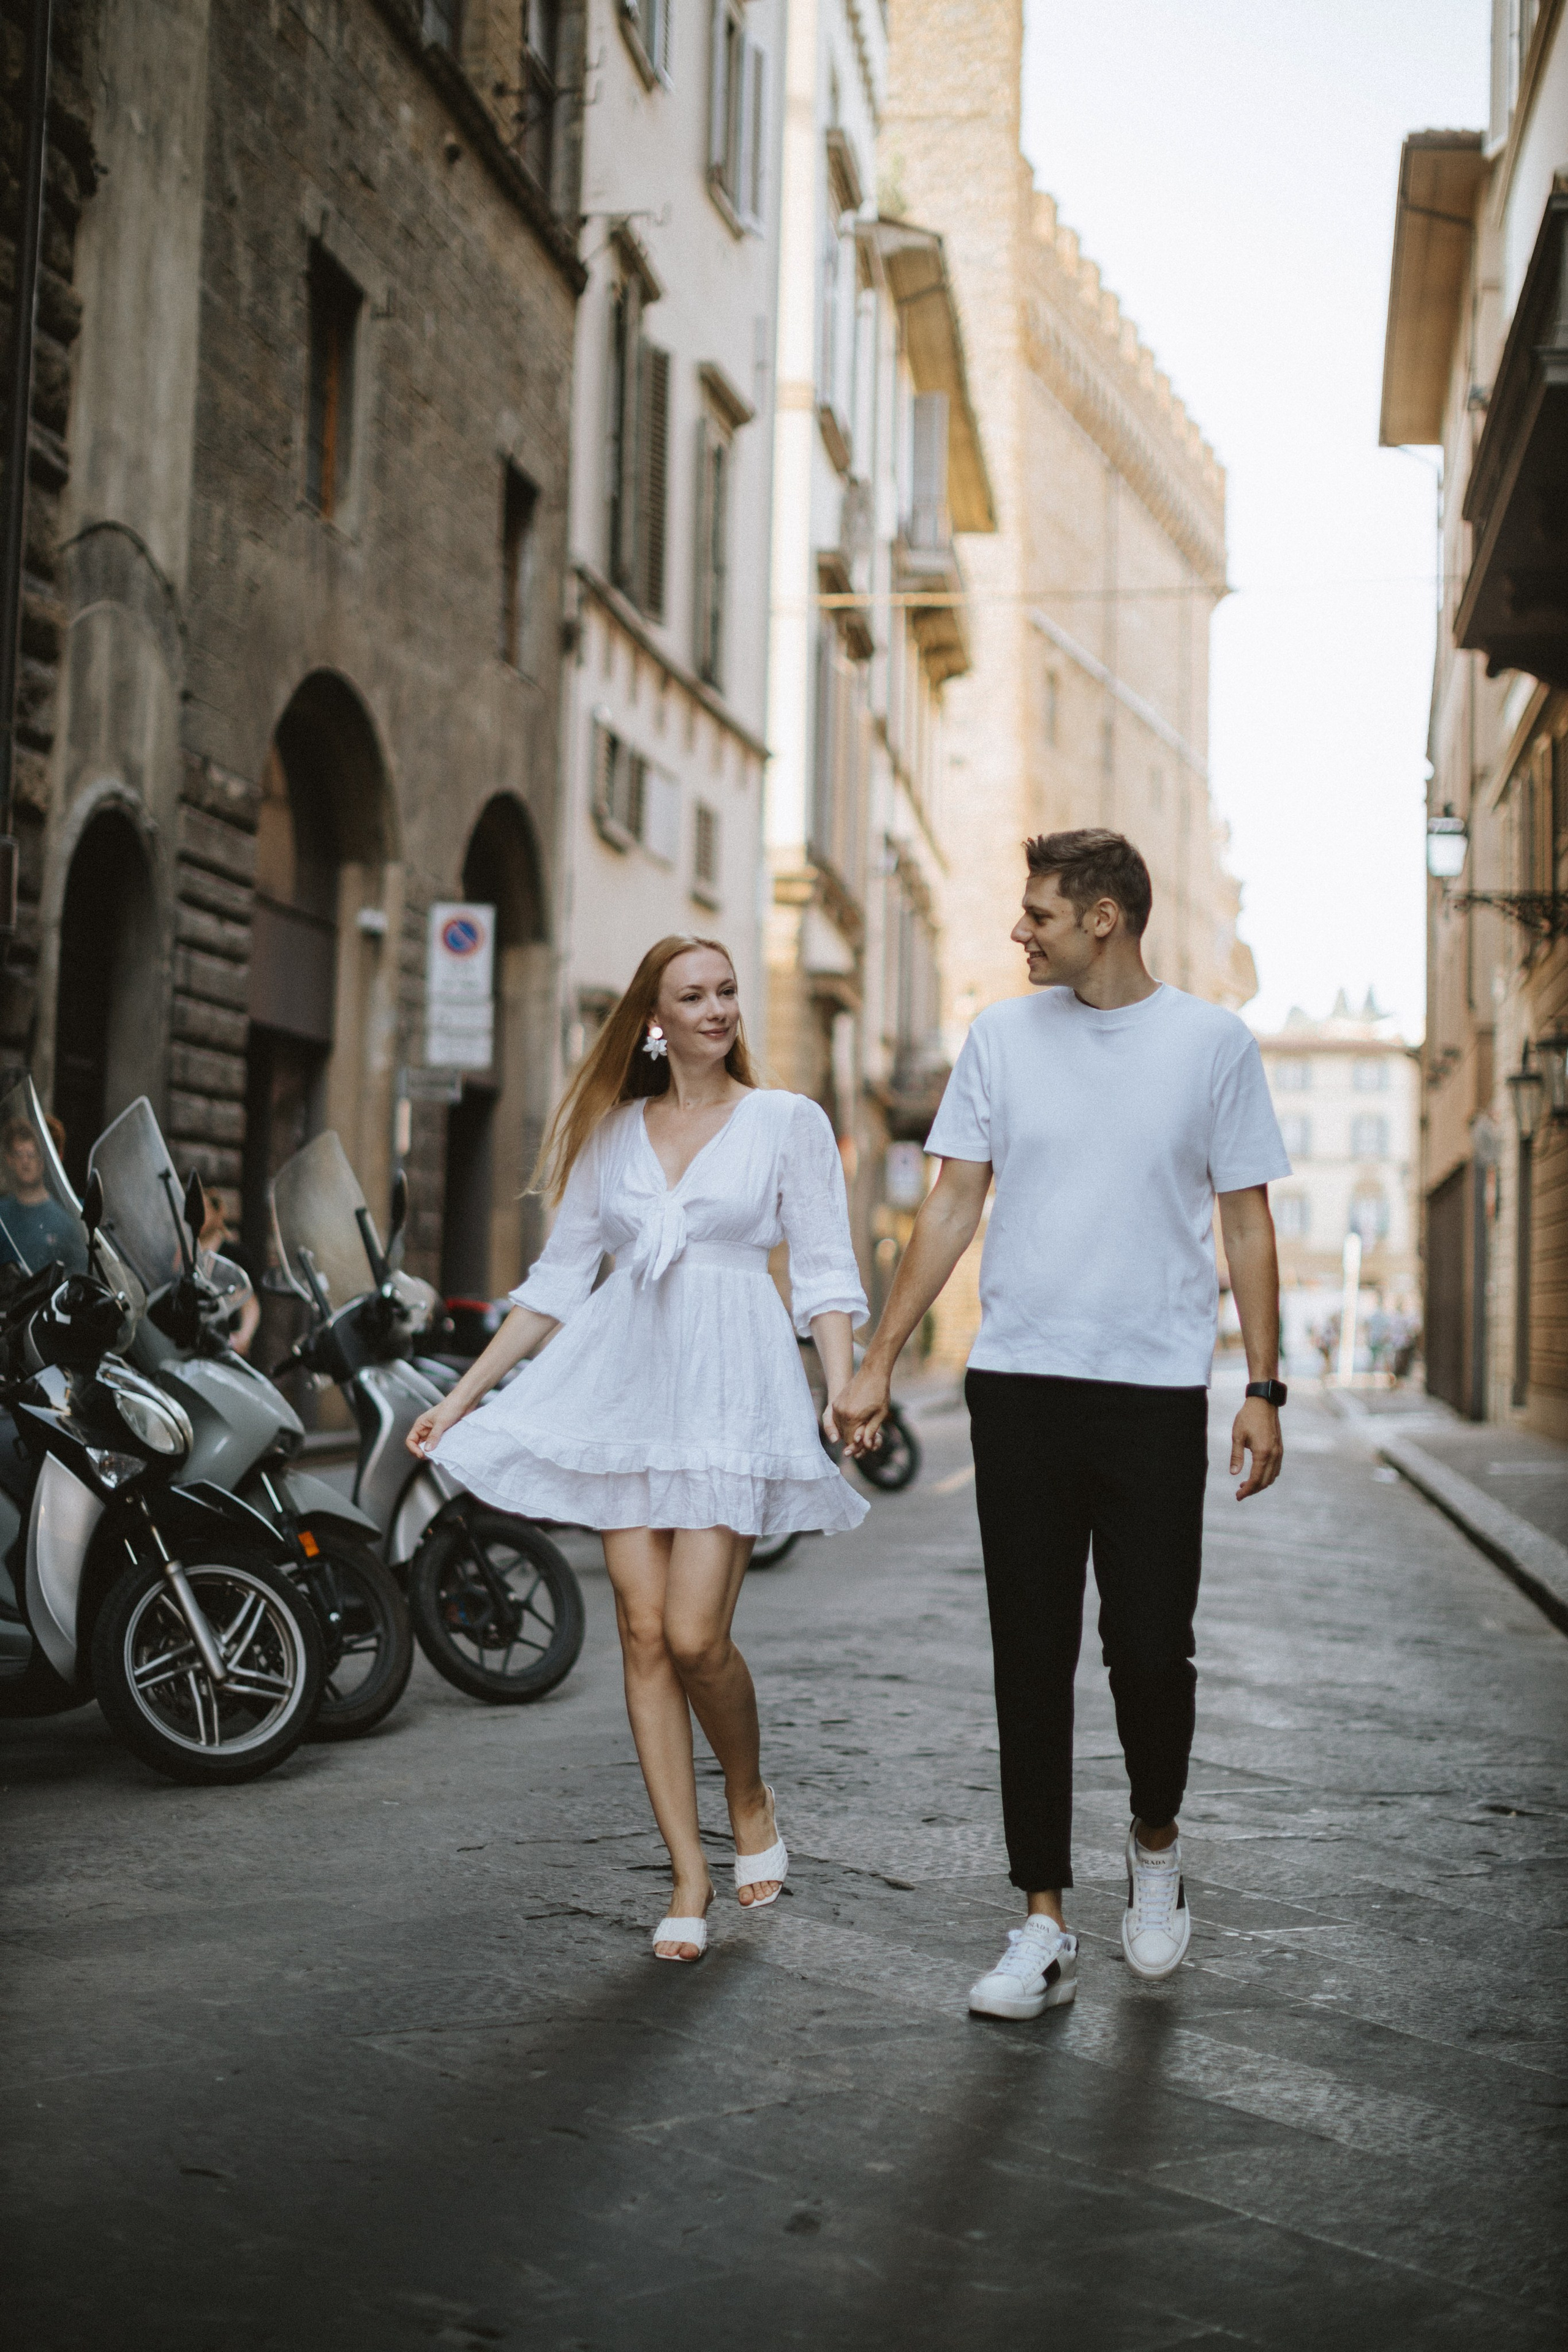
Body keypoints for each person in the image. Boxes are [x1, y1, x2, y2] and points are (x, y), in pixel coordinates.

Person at [834, 830, 1290, 2019]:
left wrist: (1263, 1383)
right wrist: (878, 1357)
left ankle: (1152, 1848)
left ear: (1102, 918)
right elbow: (947, 1212)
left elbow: (1245, 1224)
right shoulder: (997, 1039)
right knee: (1026, 1658)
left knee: (1148, 1650)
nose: (1016, 931)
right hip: (1020, 1386)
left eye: (1035, 912)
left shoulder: (1209, 1045)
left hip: (1149, 1396)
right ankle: (1038, 1920)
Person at [407, 935, 869, 1962]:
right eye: (694, 996)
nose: (717, 1010)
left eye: (727, 991)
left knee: (700, 1634)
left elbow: (828, 1272)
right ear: (654, 1019)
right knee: (644, 1630)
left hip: (731, 1386)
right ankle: (687, 1872)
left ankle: (748, 1796)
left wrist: (842, 1389)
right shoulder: (613, 1134)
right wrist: (466, 1398)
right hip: (629, 1391)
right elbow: (558, 1283)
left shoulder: (785, 1121)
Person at [0, 1116, 88, 1273]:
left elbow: (79, 1275)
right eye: (19, 1154)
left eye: (31, 1154)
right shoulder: (2, 1215)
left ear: (43, 1160)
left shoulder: (66, 1218)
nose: (25, 1162)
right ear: (10, 1160)